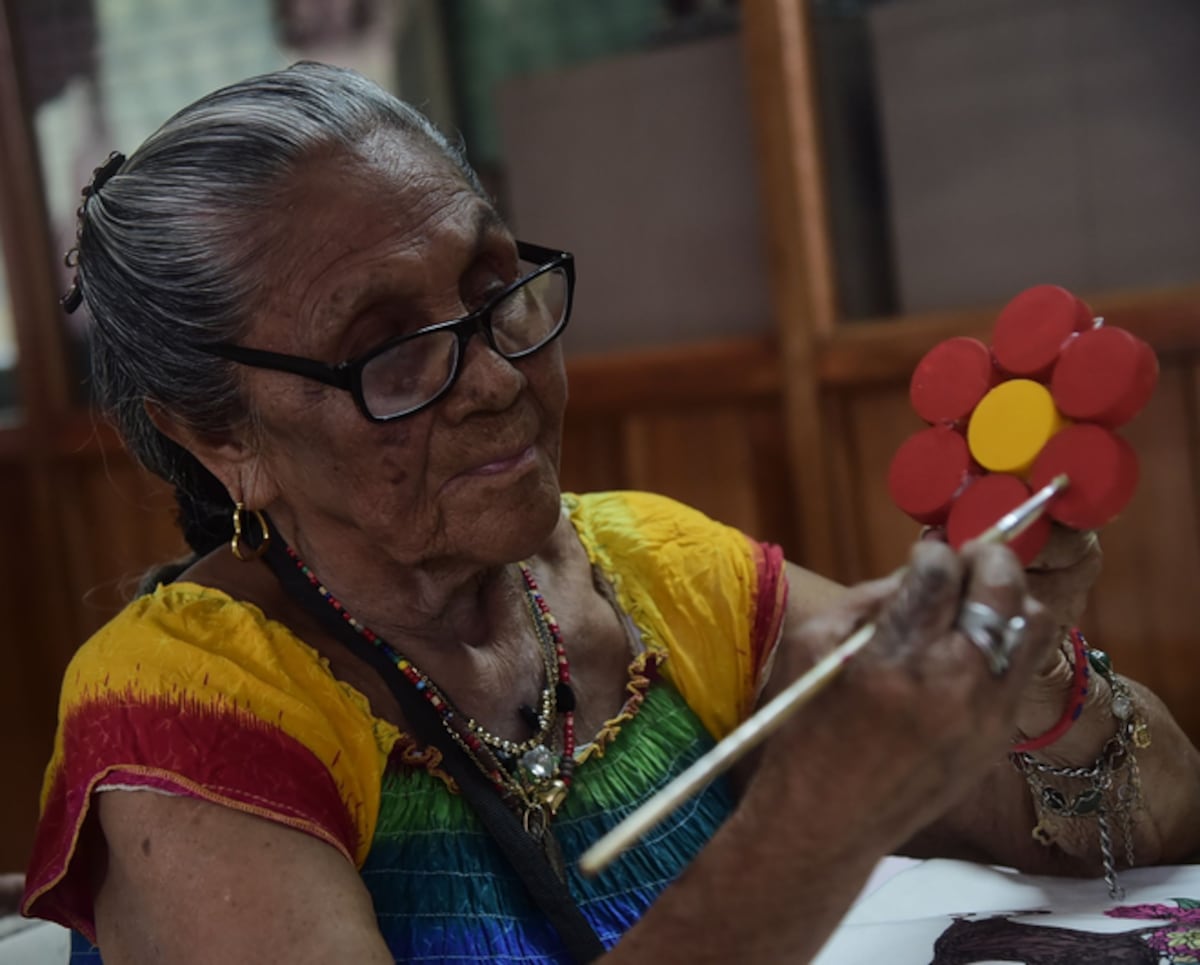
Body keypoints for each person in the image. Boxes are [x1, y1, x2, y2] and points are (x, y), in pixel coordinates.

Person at [19, 62, 1200, 964]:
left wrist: (1030, 676)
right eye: (388, 352)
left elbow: (1148, 832)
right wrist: (819, 817)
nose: (495, 378)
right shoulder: (186, 708)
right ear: (218, 434)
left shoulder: (650, 568)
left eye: (497, 292)